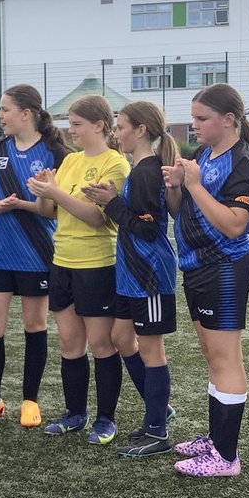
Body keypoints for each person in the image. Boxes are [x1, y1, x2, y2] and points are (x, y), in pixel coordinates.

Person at [164, 83, 249, 478]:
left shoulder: (246, 161)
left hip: (224, 268)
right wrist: (176, 187)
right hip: (194, 266)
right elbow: (180, 211)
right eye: (193, 118)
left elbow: (233, 226)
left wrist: (193, 184)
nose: (194, 126)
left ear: (228, 120)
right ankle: (216, 438)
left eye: (201, 119)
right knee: (212, 355)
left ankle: (226, 457)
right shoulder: (203, 154)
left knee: (226, 358)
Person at [0, 84, 67, 429]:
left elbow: (58, 211)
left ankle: (30, 401)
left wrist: (22, 204)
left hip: (37, 253)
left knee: (34, 326)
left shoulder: (54, 151)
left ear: (27, 113)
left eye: (5, 110)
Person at [28, 95, 130, 441]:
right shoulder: (70, 162)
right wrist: (44, 191)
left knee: (101, 345)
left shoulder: (115, 164)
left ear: (99, 125)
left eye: (76, 124)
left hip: (96, 264)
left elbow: (96, 217)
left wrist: (55, 193)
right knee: (70, 344)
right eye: (69, 124)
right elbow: (48, 212)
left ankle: (106, 419)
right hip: (62, 263)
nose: (69, 131)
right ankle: (75, 413)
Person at [82, 100, 179, 458]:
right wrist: (111, 200)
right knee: (121, 337)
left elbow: (147, 231)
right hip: (131, 274)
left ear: (140, 130)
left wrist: (111, 203)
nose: (115, 133)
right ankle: (159, 410)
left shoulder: (146, 171)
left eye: (120, 127)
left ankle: (157, 430)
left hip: (150, 274)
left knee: (152, 350)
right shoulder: (140, 168)